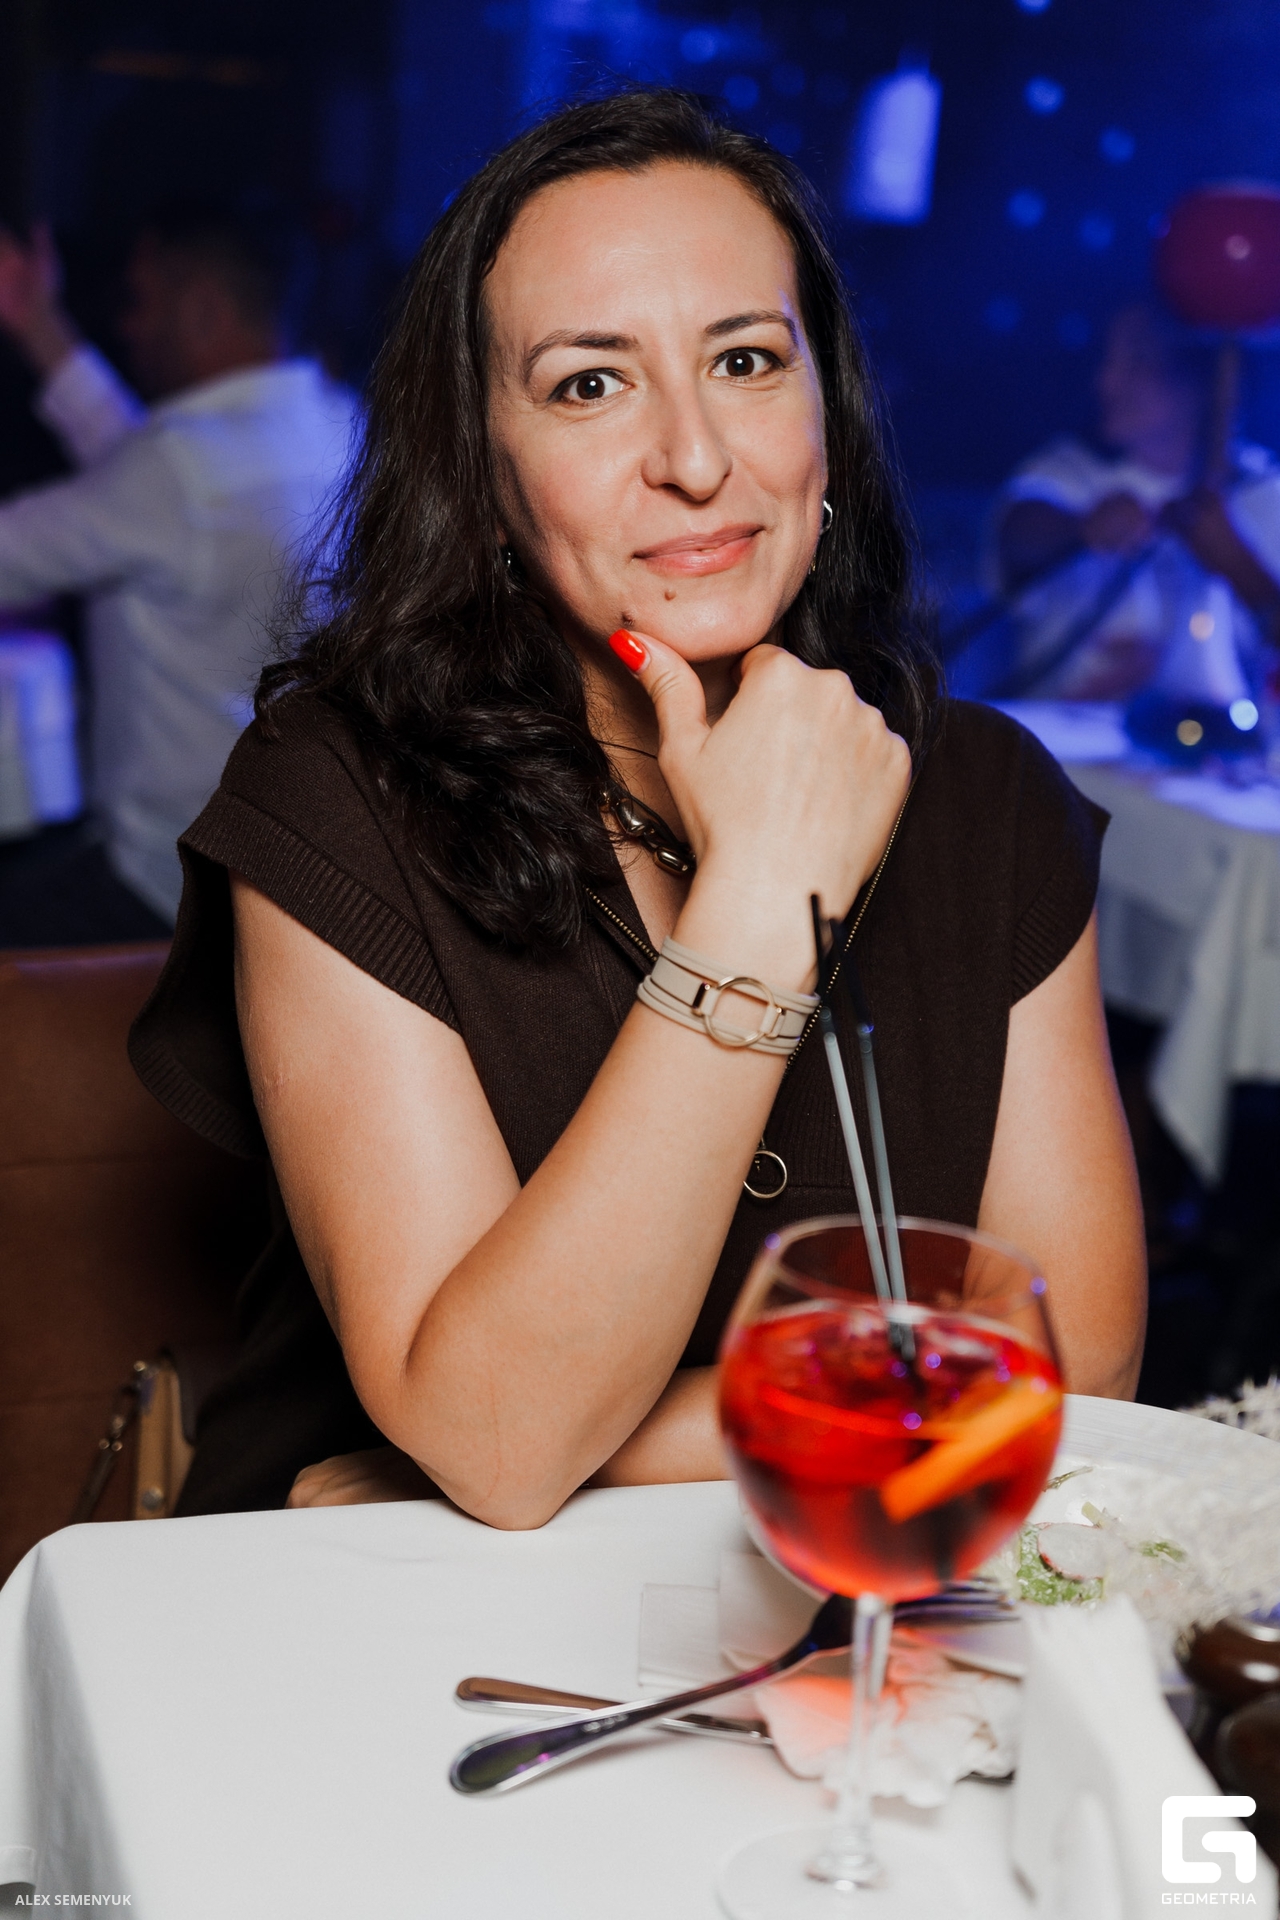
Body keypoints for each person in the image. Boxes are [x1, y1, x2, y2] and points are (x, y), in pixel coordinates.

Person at [129, 91, 1145, 1524]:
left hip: (857, 1591)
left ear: (827, 417)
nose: (695, 458)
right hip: (383, 1613)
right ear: (483, 470)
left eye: (744, 361)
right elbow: (499, 1438)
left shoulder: (985, 796)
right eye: (588, 385)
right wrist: (759, 904)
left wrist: (506, 1452)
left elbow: (1075, 1374)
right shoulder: (335, 791)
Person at [0, 203, 358, 934]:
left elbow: (132, 496)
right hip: (300, 869)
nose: (128, 326)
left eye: (141, 301)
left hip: (163, 886)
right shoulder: (344, 427)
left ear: (202, 310)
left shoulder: (176, 473)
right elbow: (152, 483)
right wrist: (38, 325)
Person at [995, 303, 1280, 703]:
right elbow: (1018, 532)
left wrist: (1238, 564)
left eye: (1137, 364)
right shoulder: (1070, 471)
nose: (1105, 382)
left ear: (1199, 383)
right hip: (1056, 738)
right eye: (1107, 362)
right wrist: (1083, 526)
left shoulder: (1264, 492)